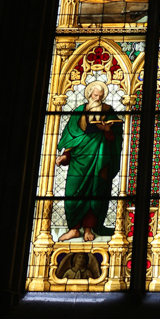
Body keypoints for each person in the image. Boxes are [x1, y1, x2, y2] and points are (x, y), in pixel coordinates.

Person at [56, 81, 123, 242]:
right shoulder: (79, 111)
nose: (97, 98)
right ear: (89, 94)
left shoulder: (108, 110)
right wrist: (66, 154)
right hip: (79, 158)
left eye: (100, 96)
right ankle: (73, 228)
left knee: (96, 192)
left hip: (100, 156)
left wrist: (108, 131)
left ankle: (88, 228)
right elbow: (72, 135)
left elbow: (116, 134)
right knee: (73, 192)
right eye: (95, 95)